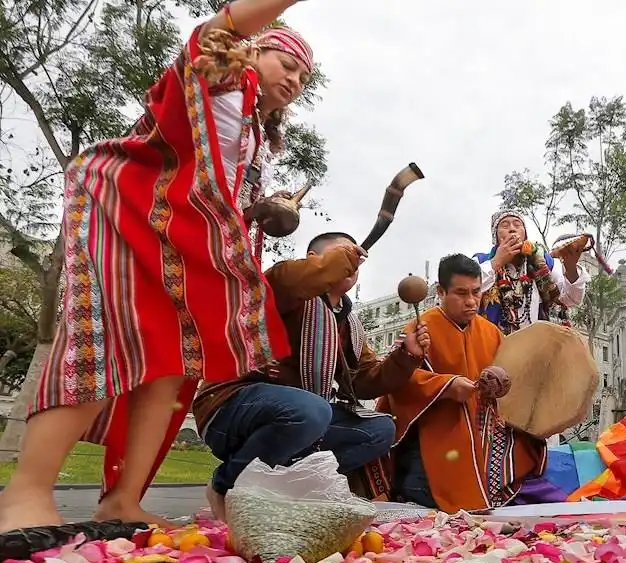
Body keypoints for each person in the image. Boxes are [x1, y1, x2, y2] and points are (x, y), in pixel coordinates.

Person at [0, 0, 317, 533]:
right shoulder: (224, 76)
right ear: (255, 51)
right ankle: (24, 494)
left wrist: (261, 210)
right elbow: (222, 28)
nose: (295, 80)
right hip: (128, 216)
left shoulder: (255, 133)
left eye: (303, 77)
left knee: (171, 369)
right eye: (287, 64)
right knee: (104, 342)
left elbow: (213, 195)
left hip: (181, 246)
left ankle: (123, 499)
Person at [192, 233, 431, 521]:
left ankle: (291, 489)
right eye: (342, 253)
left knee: (378, 430)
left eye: (353, 256)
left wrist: (406, 357)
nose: (352, 260)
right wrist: (333, 266)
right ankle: (225, 485)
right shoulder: (283, 287)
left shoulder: (349, 324)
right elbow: (290, 280)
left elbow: (364, 381)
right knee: (312, 411)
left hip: (301, 419)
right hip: (231, 407)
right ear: (312, 260)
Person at [353, 254, 547, 511]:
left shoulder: (491, 332)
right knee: (432, 481)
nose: (471, 301)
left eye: (476, 292)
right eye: (461, 293)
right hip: (433, 422)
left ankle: (491, 492)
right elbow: (396, 382)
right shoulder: (418, 329)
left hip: (482, 422)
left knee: (529, 444)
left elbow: (511, 376)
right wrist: (445, 386)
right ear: (441, 292)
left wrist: (501, 384)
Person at [474, 210, 588, 336]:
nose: (512, 229)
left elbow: (570, 299)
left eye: (517, 225)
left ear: (525, 235)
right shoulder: (481, 261)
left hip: (534, 344)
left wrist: (571, 268)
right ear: (495, 236)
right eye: (505, 225)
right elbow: (467, 288)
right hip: (490, 343)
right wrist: (496, 262)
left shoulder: (543, 261)